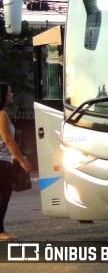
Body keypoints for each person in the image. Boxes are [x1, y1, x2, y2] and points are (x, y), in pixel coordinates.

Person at [0, 83, 32, 241]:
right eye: (10, 92)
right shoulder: (1, 115)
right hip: (2, 162)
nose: (12, 95)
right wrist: (22, 161)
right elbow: (8, 140)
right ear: (3, 96)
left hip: (3, 160)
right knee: (2, 196)